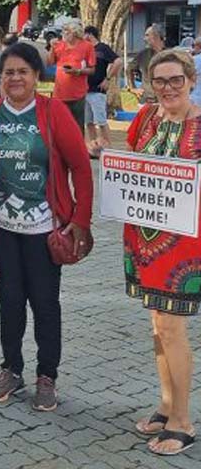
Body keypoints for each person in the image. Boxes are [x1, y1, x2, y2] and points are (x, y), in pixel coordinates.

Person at [0, 43, 93, 411]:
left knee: (44, 303)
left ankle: (47, 375)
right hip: (0, 225)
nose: (14, 78)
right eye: (8, 72)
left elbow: (81, 168)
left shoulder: (52, 111)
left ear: (35, 75)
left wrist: (80, 220)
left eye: (22, 72)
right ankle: (11, 368)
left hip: (45, 228)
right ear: (0, 77)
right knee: (10, 301)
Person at [124, 49, 200, 456]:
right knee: (158, 325)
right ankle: (168, 405)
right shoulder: (146, 119)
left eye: (176, 79)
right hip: (145, 240)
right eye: (160, 81)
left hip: (185, 247)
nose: (168, 88)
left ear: (191, 79)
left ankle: (183, 422)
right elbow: (131, 165)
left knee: (172, 328)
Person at [46, 22, 95, 130]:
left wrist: (77, 71)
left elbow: (92, 69)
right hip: (59, 93)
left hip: (78, 93)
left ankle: (77, 146)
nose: (63, 34)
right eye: (63, 31)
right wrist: (51, 47)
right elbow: (49, 62)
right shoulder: (59, 45)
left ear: (74, 33)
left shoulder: (87, 46)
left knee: (77, 126)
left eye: (66, 31)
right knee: (59, 126)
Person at [83, 26, 121, 153]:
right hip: (84, 90)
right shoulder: (84, 49)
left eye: (84, 35)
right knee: (88, 122)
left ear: (89, 35)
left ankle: (109, 148)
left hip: (97, 91)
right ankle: (94, 148)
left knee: (101, 121)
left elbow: (118, 61)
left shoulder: (102, 48)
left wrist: (108, 78)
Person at [128, 24, 166, 104]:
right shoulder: (143, 54)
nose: (144, 39)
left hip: (165, 98)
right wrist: (133, 88)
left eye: (147, 35)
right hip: (147, 99)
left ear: (156, 36)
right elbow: (129, 69)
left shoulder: (169, 55)